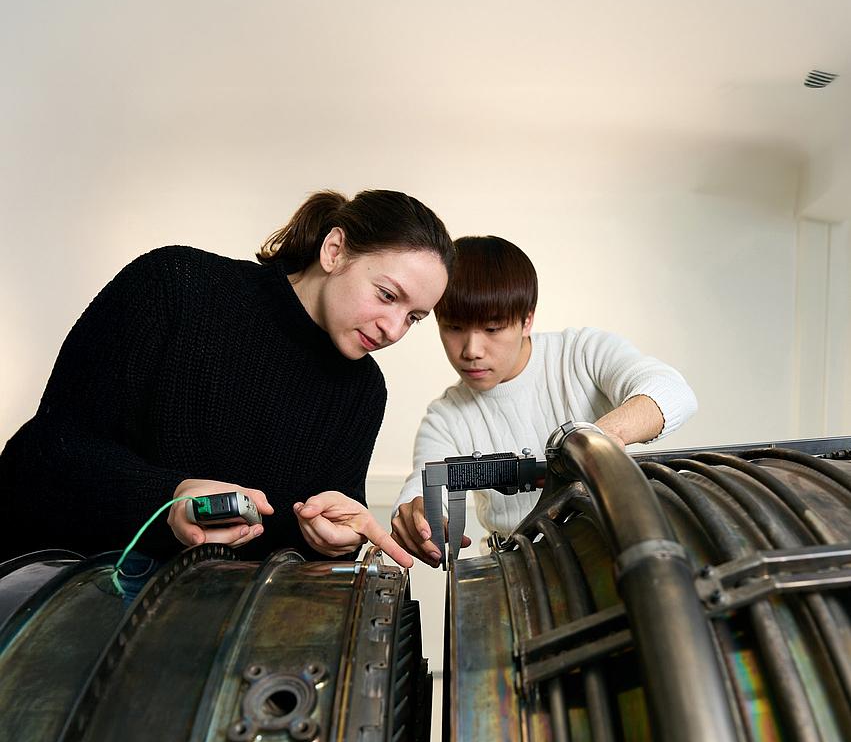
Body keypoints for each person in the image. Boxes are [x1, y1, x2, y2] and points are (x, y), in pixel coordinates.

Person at [0, 189, 454, 568]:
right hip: (67, 591)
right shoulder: (175, 287)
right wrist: (169, 498)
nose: (393, 330)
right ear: (334, 250)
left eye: (413, 318)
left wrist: (335, 540)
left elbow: (312, 551)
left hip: (219, 627)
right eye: (387, 295)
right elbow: (45, 461)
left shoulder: (363, 390)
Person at [391, 235, 698, 565]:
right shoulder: (445, 417)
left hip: (613, 553)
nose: (471, 351)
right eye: (453, 328)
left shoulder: (581, 353)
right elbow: (422, 486)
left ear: (526, 320)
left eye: (492, 329)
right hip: (518, 567)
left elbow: (672, 391)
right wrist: (417, 515)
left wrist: (599, 440)